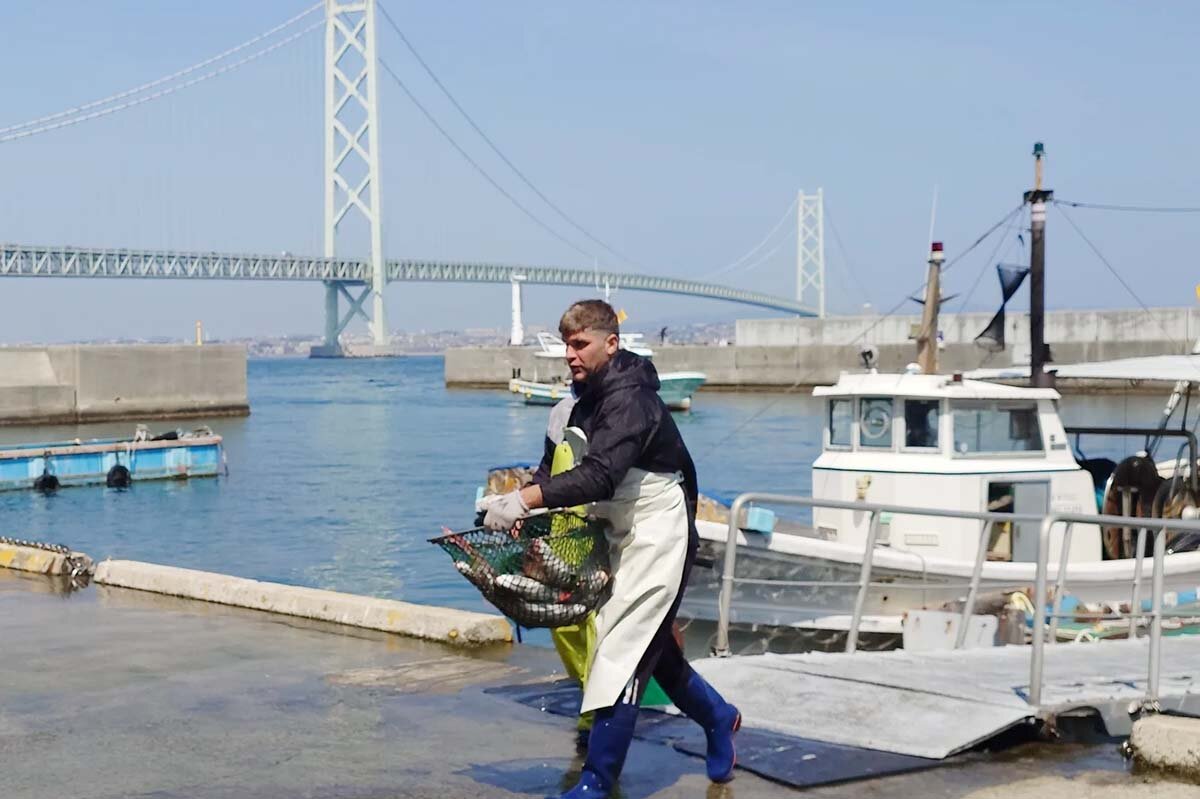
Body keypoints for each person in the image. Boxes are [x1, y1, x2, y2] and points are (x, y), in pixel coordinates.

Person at [484, 299, 740, 799]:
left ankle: (596, 781)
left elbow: (600, 475)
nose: (571, 356)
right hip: (617, 529)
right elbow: (554, 468)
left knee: (620, 651)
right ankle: (719, 717)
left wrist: (524, 499)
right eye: (566, 346)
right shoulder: (584, 401)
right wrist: (525, 511)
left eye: (580, 345)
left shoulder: (631, 400)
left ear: (611, 343)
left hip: (659, 529)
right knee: (652, 651)